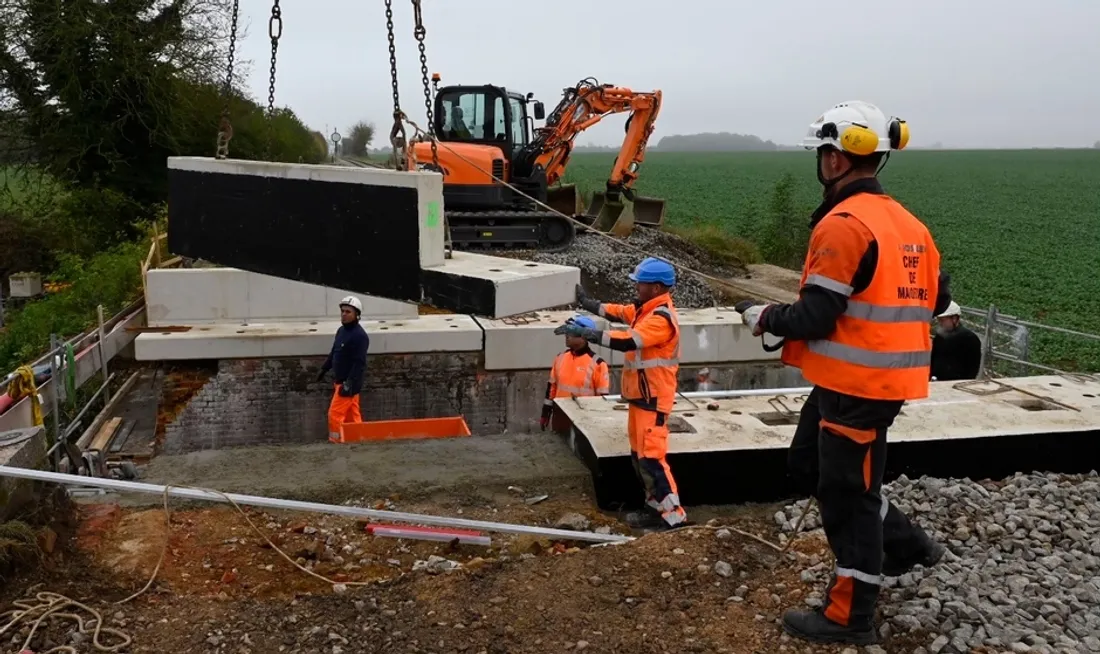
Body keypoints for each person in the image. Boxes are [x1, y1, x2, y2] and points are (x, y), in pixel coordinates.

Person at [736, 101, 951, 645]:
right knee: (809, 464)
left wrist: (764, 316)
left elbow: (814, 315)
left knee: (846, 498)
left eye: (822, 153)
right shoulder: (910, 225)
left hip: (858, 387)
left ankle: (849, 616)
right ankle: (906, 546)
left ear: (835, 159)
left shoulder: (844, 224)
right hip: (862, 382)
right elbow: (938, 296)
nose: (822, 162)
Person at [556, 258, 686, 531]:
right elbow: (618, 312)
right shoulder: (646, 310)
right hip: (641, 397)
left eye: (641, 282)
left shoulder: (660, 319)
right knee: (640, 457)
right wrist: (589, 304)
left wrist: (587, 333)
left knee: (652, 459)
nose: (636, 286)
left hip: (653, 399)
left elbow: (628, 340)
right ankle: (654, 508)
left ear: (657, 287)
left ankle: (673, 516)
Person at [541, 315, 611, 431]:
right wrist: (545, 413)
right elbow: (551, 388)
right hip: (560, 417)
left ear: (583, 337)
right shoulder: (560, 358)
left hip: (584, 421)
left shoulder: (598, 364)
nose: (566, 336)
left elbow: (602, 400)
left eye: (571, 333)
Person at [317, 296, 369, 442]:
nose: (344, 314)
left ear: (356, 315)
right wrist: (324, 369)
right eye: (342, 311)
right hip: (341, 382)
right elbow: (334, 352)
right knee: (353, 416)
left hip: (348, 384)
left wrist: (349, 383)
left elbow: (360, 363)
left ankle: (336, 441)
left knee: (334, 415)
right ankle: (358, 439)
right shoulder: (341, 331)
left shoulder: (360, 336)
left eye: (348, 312)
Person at [930, 301, 983, 380]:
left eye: (942, 320)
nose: (939, 323)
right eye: (939, 320)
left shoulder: (969, 338)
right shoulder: (940, 337)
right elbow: (933, 359)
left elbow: (973, 368)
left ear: (954, 318)